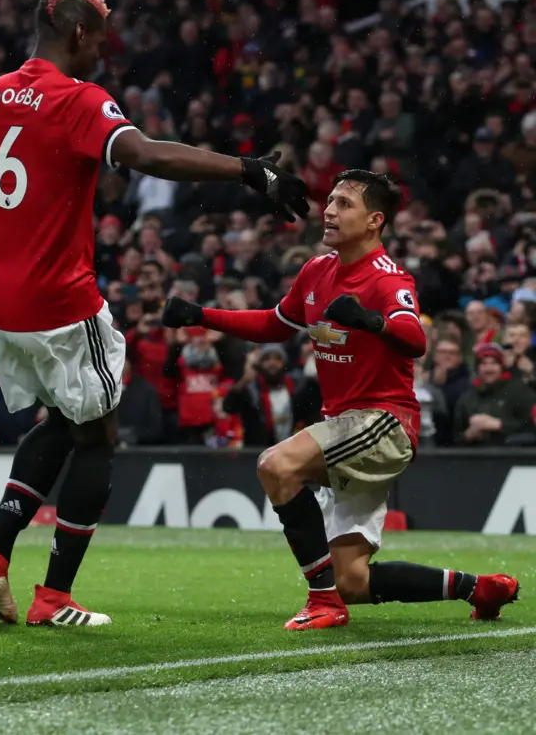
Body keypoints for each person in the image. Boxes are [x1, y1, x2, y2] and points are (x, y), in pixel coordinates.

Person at [0, 0, 308, 628]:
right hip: (57, 297)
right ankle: (53, 597)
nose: (103, 52)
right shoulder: (77, 100)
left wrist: (18, 194)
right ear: (78, 33)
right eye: (101, 39)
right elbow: (144, 154)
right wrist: (246, 169)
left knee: (62, 420)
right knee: (101, 436)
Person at [163, 169, 519, 630]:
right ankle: (480, 588)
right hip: (347, 426)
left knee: (276, 465)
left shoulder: (389, 278)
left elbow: (415, 338)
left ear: (374, 220)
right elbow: (275, 323)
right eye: (329, 201)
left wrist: (372, 321)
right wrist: (201, 315)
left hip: (384, 422)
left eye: (343, 203)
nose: (328, 211)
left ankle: (321, 603)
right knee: (351, 580)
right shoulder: (316, 270)